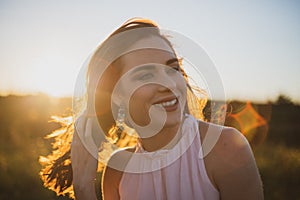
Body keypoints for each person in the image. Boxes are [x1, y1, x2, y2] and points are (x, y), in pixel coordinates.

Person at [42, 18, 264, 200]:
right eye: (146, 75)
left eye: (172, 68)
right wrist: (83, 188)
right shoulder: (117, 172)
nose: (169, 84)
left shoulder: (225, 148)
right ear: (116, 95)